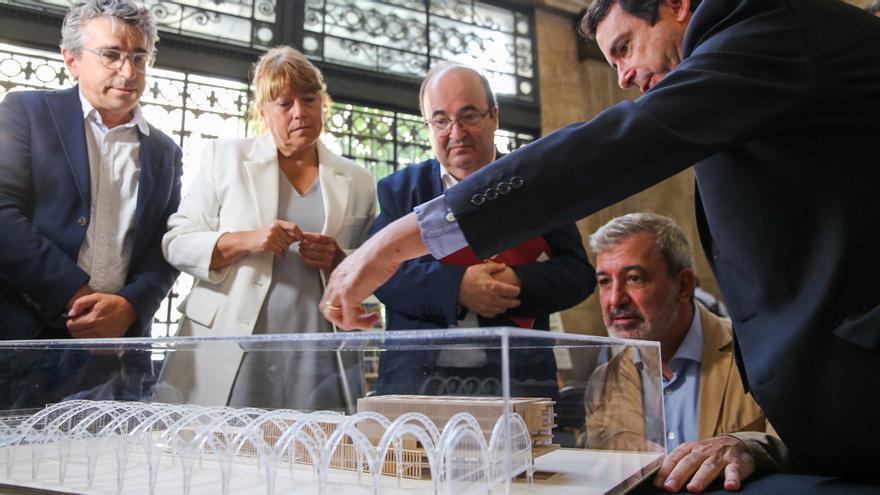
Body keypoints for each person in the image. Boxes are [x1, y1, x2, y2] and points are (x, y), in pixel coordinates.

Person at [320, 0, 880, 488]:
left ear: (678, 4)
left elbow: (612, 148)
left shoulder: (765, 28)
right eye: (610, 61)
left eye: (626, 47)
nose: (624, 77)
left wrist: (393, 243)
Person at [159, 46, 376, 410]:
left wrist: (341, 258)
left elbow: (374, 265)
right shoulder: (224, 158)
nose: (300, 112)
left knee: (317, 455)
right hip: (232, 343)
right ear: (262, 111)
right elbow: (177, 242)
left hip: (320, 351)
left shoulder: (359, 181)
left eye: (309, 99)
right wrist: (248, 240)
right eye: (284, 103)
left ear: (324, 102)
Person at [371, 64, 593, 398]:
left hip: (517, 382)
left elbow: (578, 275)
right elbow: (382, 275)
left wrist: (518, 283)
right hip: (417, 384)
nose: (456, 132)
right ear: (428, 126)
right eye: (441, 120)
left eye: (469, 115)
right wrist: (457, 287)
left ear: (494, 117)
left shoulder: (534, 185)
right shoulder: (400, 190)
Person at [0, 0, 181, 406]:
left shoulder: (164, 151)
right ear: (72, 59)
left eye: (139, 56)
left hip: (118, 356)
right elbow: (2, 215)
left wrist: (129, 306)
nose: (128, 72)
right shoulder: (25, 113)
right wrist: (76, 295)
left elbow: (165, 246)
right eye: (112, 55)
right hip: (22, 346)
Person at [584, 213, 785, 471]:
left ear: (683, 286)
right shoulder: (604, 383)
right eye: (604, 282)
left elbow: (804, 449)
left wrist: (747, 448)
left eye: (634, 278)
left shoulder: (760, 352)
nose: (614, 299)